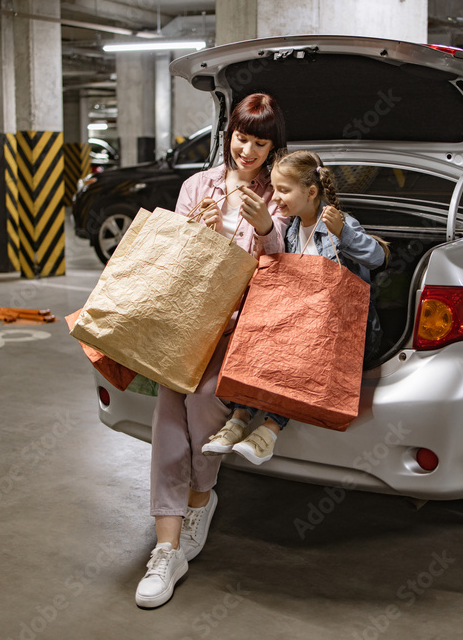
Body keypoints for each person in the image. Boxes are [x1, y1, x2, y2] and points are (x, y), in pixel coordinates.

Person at [135, 93, 289, 609]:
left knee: (203, 405)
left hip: (241, 328)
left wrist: (266, 227)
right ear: (228, 134)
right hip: (186, 322)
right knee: (166, 421)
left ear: (272, 148)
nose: (246, 150)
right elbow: (171, 256)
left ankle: (201, 500)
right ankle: (166, 547)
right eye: (241, 137)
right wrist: (191, 226)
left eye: (259, 143)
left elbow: (286, 266)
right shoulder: (195, 186)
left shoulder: (277, 195)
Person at [202, 149, 388, 466]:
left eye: (283, 190)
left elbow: (377, 258)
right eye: (274, 188)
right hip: (305, 320)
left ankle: (270, 430)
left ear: (311, 192)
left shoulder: (340, 225)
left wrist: (344, 233)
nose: (276, 197)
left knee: (297, 351)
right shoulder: (291, 229)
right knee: (261, 338)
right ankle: (240, 417)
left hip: (341, 330)